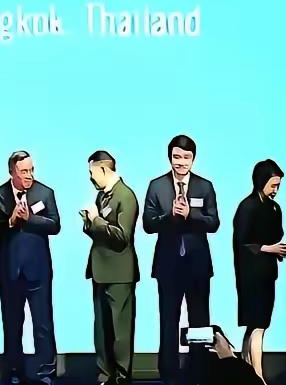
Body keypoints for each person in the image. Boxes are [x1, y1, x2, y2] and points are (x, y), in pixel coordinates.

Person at [143, 134, 219, 385]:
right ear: (170, 158)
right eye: (177, 157)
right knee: (168, 321)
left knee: (199, 321)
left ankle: (199, 372)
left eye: (187, 157)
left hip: (198, 266)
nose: (181, 162)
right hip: (168, 266)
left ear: (193, 159)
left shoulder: (204, 186)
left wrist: (190, 215)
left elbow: (214, 223)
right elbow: (148, 224)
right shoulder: (157, 186)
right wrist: (170, 216)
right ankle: (169, 374)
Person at [0, 150, 60, 385]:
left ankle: (46, 374)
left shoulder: (45, 192)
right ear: (12, 172)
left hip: (38, 272)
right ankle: (14, 371)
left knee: (43, 325)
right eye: (23, 171)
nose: (29, 175)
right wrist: (11, 221)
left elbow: (55, 225)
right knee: (12, 326)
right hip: (9, 272)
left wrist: (30, 219)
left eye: (31, 170)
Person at [81, 150, 140, 385]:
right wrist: (89, 223)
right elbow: (101, 234)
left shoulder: (126, 196)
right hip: (100, 273)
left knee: (120, 332)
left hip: (119, 275)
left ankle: (122, 377)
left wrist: (96, 220)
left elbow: (122, 237)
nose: (90, 178)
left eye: (92, 172)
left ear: (104, 169)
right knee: (102, 330)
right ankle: (105, 375)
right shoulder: (102, 196)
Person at [232, 159, 286, 383]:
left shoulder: (274, 208)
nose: (275, 190)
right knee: (257, 325)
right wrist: (268, 248)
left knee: (257, 325)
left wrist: (277, 250)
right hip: (250, 275)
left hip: (267, 274)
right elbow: (242, 243)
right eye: (273, 185)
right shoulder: (247, 207)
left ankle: (246, 371)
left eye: (278, 186)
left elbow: (276, 234)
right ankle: (257, 376)